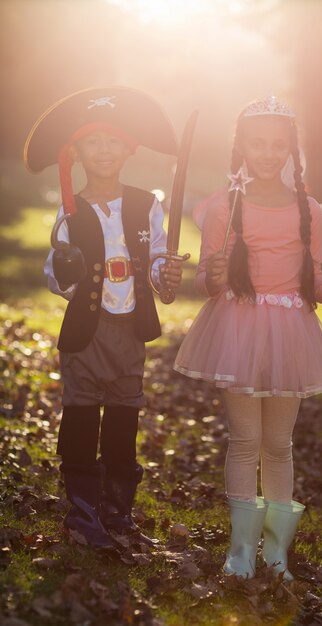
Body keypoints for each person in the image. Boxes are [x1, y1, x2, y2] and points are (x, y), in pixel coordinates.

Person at [174, 95, 322, 579]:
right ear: (241, 147)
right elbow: (207, 285)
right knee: (245, 439)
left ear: (291, 149)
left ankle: (276, 553)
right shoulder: (223, 207)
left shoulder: (306, 208)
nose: (268, 153)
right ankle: (239, 550)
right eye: (258, 143)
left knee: (278, 443)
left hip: (290, 331)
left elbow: (310, 274)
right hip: (238, 326)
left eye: (278, 144)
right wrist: (210, 273)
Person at [24, 86, 184, 549]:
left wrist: (164, 272)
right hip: (85, 332)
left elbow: (154, 259)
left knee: (122, 415)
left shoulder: (144, 205)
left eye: (113, 140)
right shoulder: (71, 209)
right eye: (92, 142)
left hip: (129, 330)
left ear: (129, 148)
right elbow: (56, 272)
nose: (104, 150)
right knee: (79, 414)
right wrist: (67, 270)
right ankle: (83, 509)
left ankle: (118, 508)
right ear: (74, 152)